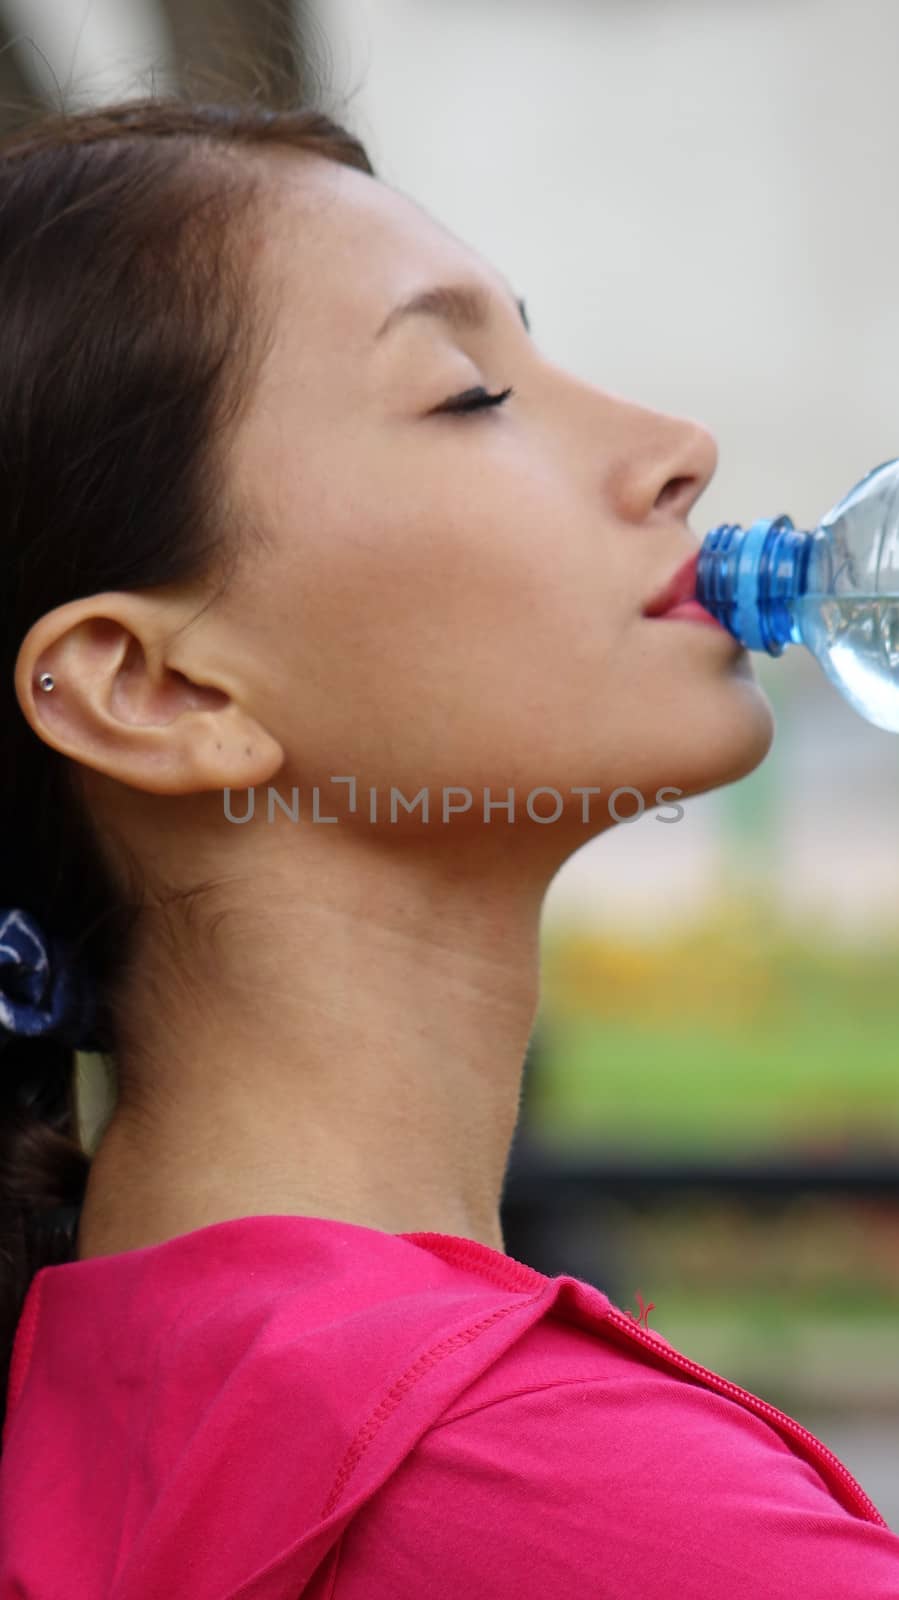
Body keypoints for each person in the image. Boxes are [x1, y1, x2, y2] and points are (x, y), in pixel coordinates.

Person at [0, 92, 896, 1599]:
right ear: (155, 690)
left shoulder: (98, 1389)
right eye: (472, 393)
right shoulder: (603, 1510)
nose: (681, 449)